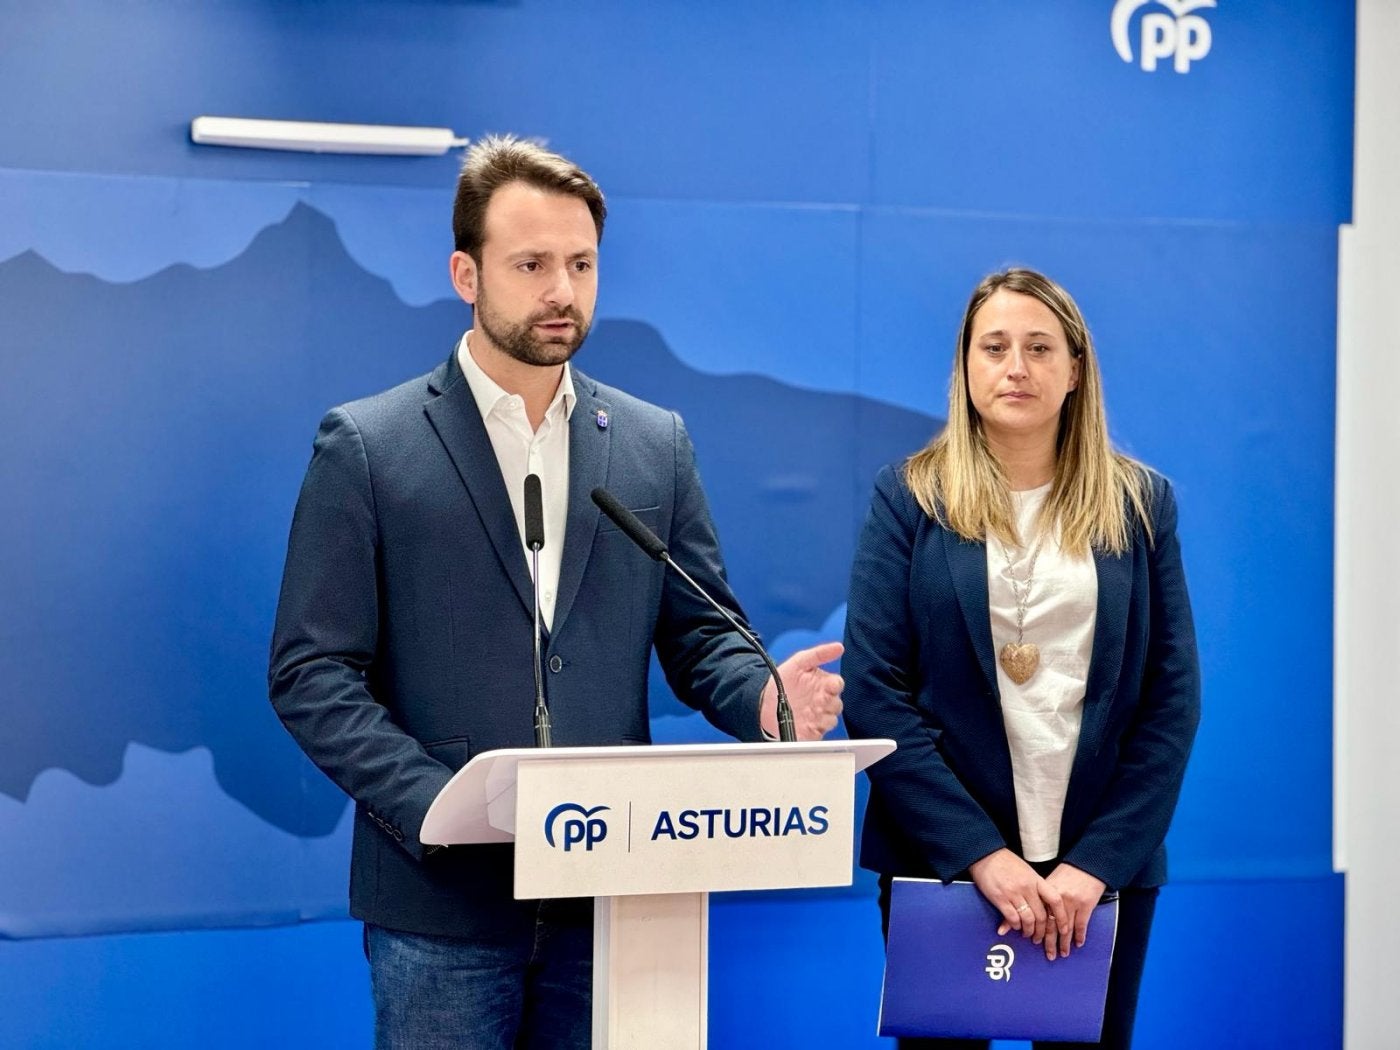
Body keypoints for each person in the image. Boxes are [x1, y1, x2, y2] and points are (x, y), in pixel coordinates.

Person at [267, 134, 843, 1050]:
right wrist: (438, 805)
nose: (562, 291)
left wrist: (765, 701)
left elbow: (702, 634)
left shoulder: (652, 444)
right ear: (466, 274)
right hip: (443, 909)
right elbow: (312, 672)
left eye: (581, 264)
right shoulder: (371, 447)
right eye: (531, 264)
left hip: (610, 901)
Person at [841, 268, 1200, 1049]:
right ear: (966, 366)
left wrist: (1095, 864)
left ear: (1074, 371)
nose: (1016, 367)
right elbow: (873, 692)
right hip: (943, 863)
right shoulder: (909, 498)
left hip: (1098, 875)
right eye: (994, 346)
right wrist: (981, 856)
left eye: (1040, 348)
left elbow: (1170, 700)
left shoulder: (1142, 505)